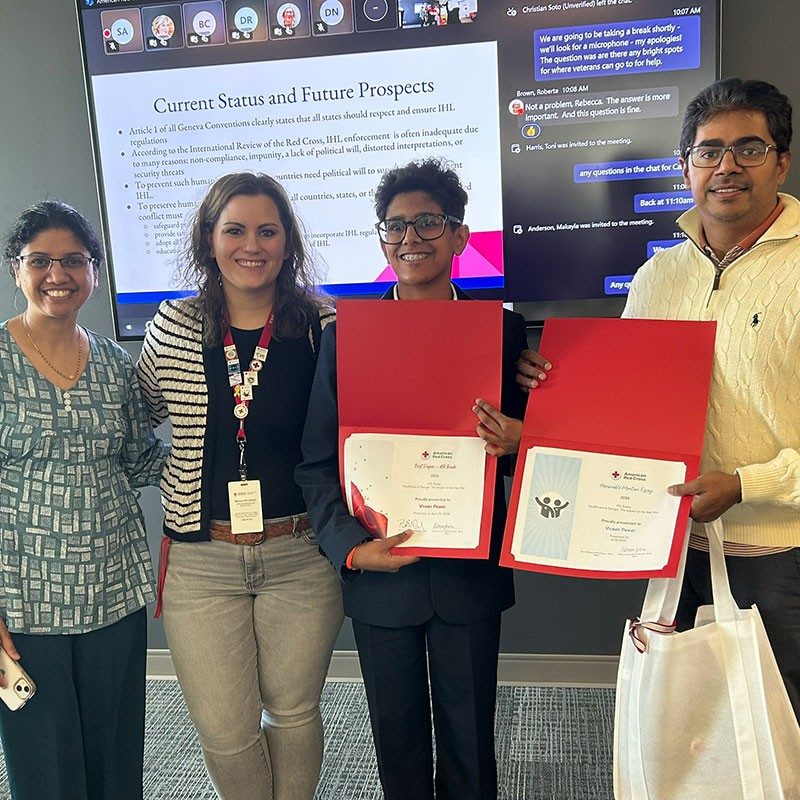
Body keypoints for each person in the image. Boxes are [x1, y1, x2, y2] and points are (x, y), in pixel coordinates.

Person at [517, 77, 800, 718]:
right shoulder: (658, 275)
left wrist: (747, 484)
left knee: (780, 746)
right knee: (697, 748)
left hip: (783, 561)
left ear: (781, 161)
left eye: (748, 149)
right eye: (708, 151)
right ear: (686, 167)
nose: (726, 166)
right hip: (673, 553)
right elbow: (626, 406)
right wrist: (557, 385)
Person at [296, 159, 528, 800]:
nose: (410, 239)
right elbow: (316, 461)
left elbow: (532, 445)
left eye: (428, 222)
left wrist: (520, 435)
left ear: (459, 236)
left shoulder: (504, 330)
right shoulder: (346, 337)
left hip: (467, 573)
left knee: (471, 743)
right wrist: (347, 546)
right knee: (395, 744)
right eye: (394, 227)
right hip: (380, 570)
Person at [137, 172, 343, 800]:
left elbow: (373, 417)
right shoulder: (175, 325)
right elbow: (135, 414)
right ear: (209, 238)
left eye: (267, 230)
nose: (250, 245)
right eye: (234, 229)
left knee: (294, 713)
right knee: (226, 732)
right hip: (202, 560)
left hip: (301, 555)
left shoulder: (322, 327)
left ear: (287, 243)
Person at [0, 201, 167, 800]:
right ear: (15, 269)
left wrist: (217, 435)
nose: (58, 274)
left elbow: (139, 461)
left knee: (115, 753)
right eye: (39, 260)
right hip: (23, 600)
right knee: (46, 763)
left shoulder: (118, 366)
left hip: (113, 591)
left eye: (74, 260)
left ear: (95, 271)